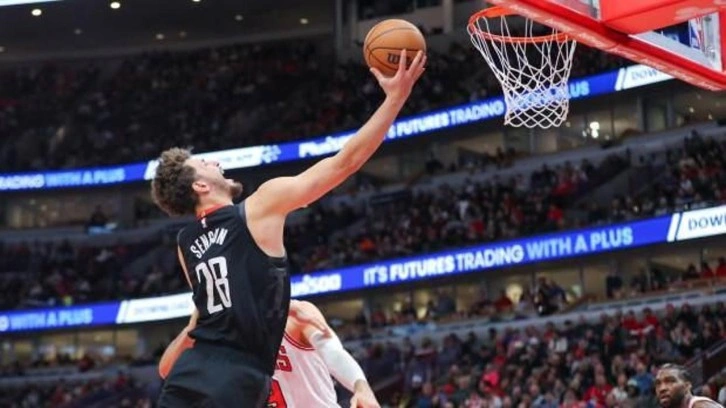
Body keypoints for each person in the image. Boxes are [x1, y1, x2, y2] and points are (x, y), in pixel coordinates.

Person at [151, 49, 426, 408]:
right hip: (238, 376)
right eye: (205, 163)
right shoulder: (259, 206)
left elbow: (207, 317)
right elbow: (344, 163)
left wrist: (284, 307)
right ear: (200, 186)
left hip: (192, 372)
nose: (216, 162)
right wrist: (395, 99)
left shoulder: (186, 241)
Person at [159, 300, 381, 408]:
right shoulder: (224, 332)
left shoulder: (295, 315)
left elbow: (332, 352)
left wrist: (361, 387)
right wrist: (193, 327)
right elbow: (167, 369)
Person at [655, 364, 724, 408]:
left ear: (687, 386)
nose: (662, 388)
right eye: (658, 384)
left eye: (670, 381)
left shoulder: (701, 406)